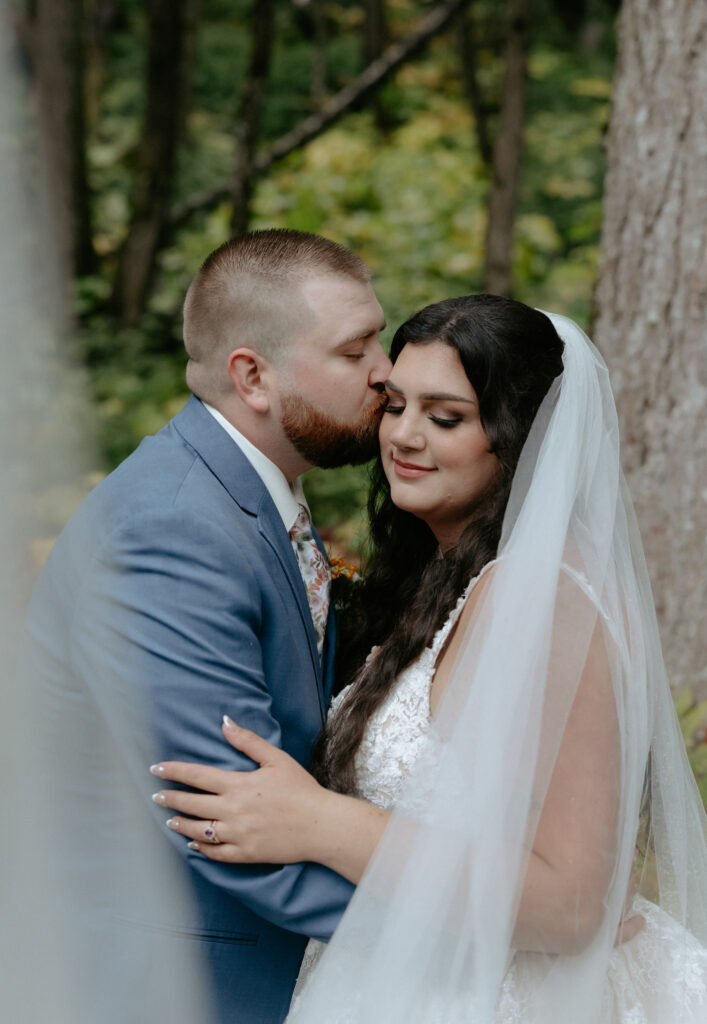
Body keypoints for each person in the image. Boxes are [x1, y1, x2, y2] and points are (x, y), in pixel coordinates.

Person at [152, 295, 707, 1023]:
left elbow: (573, 901)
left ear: (517, 436)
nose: (403, 436)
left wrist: (317, 821)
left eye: (445, 417)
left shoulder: (538, 597)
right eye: (393, 406)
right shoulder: (441, 576)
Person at [21, 229, 392, 1024]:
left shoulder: (250, 490)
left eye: (379, 341)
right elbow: (223, 816)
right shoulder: (172, 528)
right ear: (252, 376)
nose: (385, 372)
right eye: (355, 350)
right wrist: (464, 937)